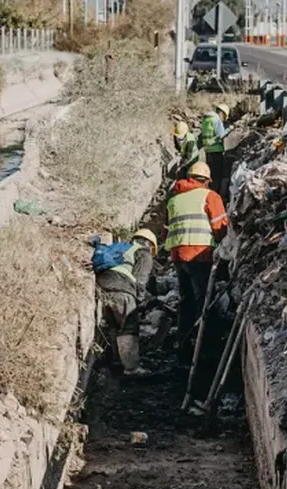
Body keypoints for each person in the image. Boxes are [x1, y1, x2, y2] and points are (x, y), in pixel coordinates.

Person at [162, 161, 229, 361]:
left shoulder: (174, 200)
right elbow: (220, 227)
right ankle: (205, 348)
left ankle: (182, 344)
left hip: (178, 256)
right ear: (207, 180)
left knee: (186, 299)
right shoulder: (210, 196)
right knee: (203, 300)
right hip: (201, 254)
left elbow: (166, 231)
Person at [94, 229, 156, 375]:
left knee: (114, 326)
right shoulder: (144, 253)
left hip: (104, 287)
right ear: (150, 244)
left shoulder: (122, 248)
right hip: (122, 289)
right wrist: (140, 301)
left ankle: (117, 362)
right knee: (129, 327)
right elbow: (140, 281)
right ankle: (132, 368)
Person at [199, 103, 231, 195]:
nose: (223, 119)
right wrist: (229, 129)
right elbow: (221, 135)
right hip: (216, 151)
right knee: (217, 175)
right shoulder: (216, 120)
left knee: (210, 174)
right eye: (224, 117)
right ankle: (215, 195)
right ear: (222, 113)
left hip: (208, 151)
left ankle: (208, 192)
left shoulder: (206, 120)